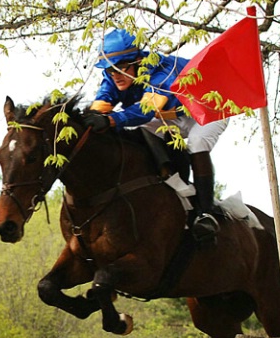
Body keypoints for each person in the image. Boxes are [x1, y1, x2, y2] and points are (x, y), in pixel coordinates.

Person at [83, 29, 228, 241]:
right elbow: (102, 104)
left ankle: (206, 212)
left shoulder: (162, 72)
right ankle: (171, 177)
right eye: (111, 70)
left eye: (121, 68)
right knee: (132, 129)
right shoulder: (113, 76)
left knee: (197, 142)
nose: (116, 76)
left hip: (208, 106)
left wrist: (111, 120)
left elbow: (145, 111)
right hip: (171, 114)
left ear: (138, 61)